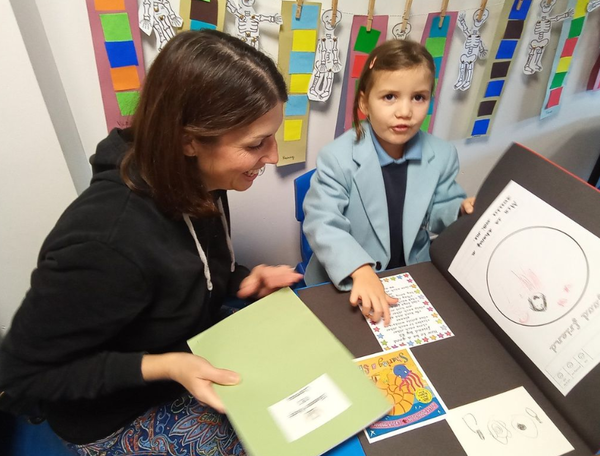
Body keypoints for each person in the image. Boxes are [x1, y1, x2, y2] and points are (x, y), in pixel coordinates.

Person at [0, 29, 302, 456]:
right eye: (256, 144)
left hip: (187, 353)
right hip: (115, 415)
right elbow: (22, 375)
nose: (273, 156)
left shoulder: (201, 180)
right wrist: (164, 365)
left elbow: (183, 267)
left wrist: (243, 279)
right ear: (189, 140)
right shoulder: (105, 242)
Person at [302, 39, 474, 327]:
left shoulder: (442, 154)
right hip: (347, 280)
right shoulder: (337, 157)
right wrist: (359, 268)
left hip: (411, 275)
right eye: (390, 97)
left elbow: (439, 209)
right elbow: (322, 222)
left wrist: (460, 209)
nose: (405, 111)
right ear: (364, 103)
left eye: (418, 97)